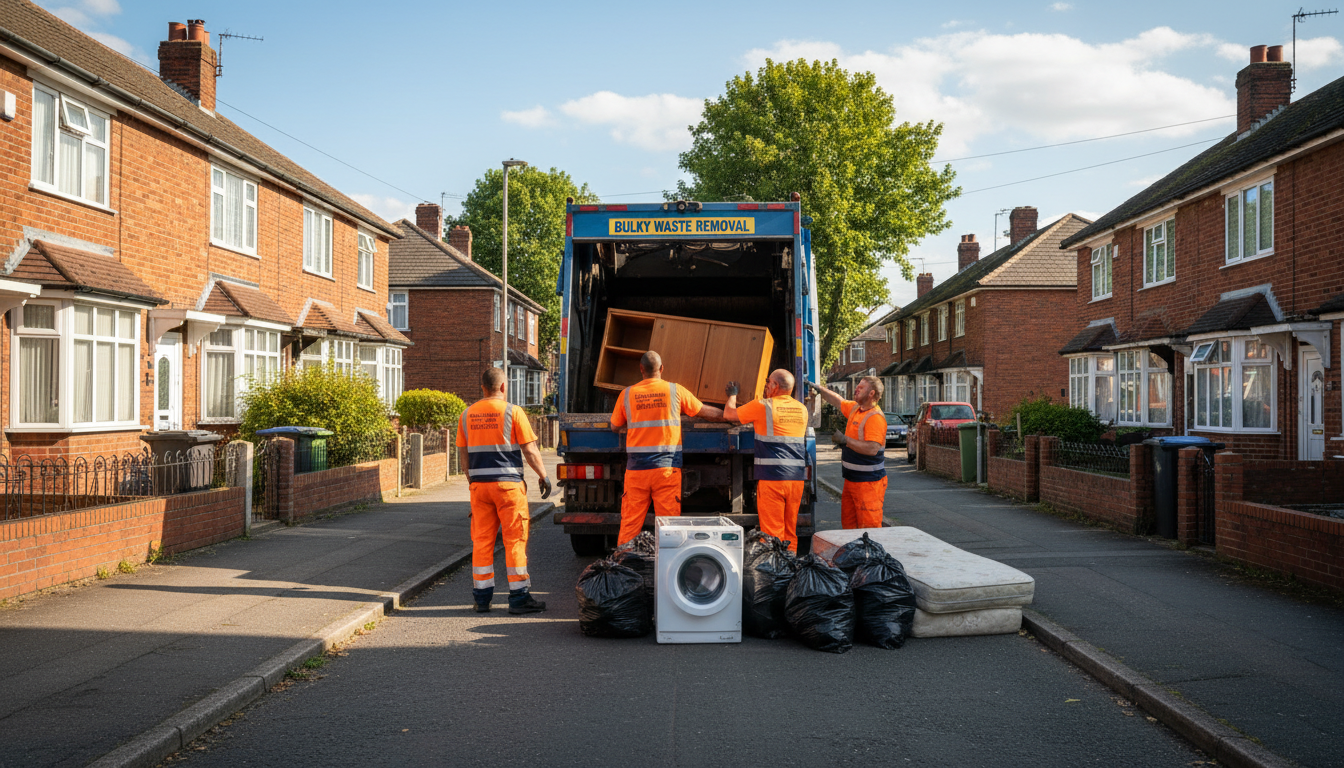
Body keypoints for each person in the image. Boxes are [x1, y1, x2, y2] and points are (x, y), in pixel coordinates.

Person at [456, 367, 552, 614]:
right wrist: (544, 476)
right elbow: (530, 450)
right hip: (508, 488)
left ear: (482, 388)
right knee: (514, 541)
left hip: (479, 487)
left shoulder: (466, 415)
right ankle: (519, 598)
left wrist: (472, 482)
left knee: (482, 541)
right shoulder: (513, 412)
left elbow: (463, 455)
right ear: (503, 387)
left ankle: (482, 598)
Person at [609, 351, 723, 545]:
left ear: (641, 369)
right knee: (669, 526)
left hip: (637, 471)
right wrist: (728, 415)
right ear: (662, 369)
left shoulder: (627, 394)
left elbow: (614, 426)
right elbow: (704, 411)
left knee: (630, 523)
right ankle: (668, 567)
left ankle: (623, 565)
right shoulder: (675, 391)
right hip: (666, 470)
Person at [723, 369, 809, 551]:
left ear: (776, 386)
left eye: (768, 382)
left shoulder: (763, 406)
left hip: (772, 479)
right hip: (796, 480)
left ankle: (773, 573)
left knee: (772, 533)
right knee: (790, 531)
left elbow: (729, 415)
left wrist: (732, 395)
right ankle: (789, 568)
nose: (766, 386)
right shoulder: (802, 409)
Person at [808, 376, 887, 529]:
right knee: (849, 528)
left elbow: (872, 448)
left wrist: (845, 440)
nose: (857, 388)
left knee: (869, 529)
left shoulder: (875, 418)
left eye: (861, 387)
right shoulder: (855, 409)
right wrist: (819, 389)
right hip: (852, 481)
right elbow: (838, 400)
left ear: (871, 394)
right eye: (858, 385)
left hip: (869, 484)